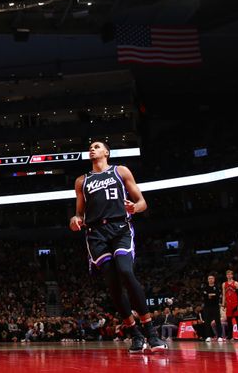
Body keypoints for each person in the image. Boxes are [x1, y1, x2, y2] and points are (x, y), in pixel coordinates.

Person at [69, 141, 167, 353]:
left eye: (97, 146)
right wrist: (75, 220)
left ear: (106, 152)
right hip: (95, 234)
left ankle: (151, 332)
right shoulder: (82, 181)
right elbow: (79, 213)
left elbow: (142, 202)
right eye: (90, 147)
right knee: (113, 285)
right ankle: (135, 335)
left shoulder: (120, 171)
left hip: (120, 227)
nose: (92, 149)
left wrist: (134, 208)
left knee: (125, 271)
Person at [201, 274, 223, 341]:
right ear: (208, 280)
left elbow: (218, 295)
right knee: (207, 322)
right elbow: (204, 296)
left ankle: (220, 336)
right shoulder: (205, 288)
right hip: (207, 307)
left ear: (214, 279)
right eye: (209, 278)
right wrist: (212, 295)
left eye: (212, 278)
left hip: (215, 306)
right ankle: (208, 336)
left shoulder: (217, 287)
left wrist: (210, 295)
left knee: (218, 321)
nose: (210, 279)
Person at [223, 270, 238, 340]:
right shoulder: (224, 284)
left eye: (230, 274)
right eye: (227, 274)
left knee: (237, 319)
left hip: (235, 303)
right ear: (226, 275)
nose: (229, 275)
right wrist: (223, 304)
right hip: (228, 304)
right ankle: (230, 335)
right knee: (229, 320)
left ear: (232, 275)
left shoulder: (236, 283)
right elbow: (223, 295)